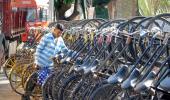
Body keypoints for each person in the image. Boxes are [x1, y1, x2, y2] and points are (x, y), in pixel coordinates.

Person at [22, 23, 68, 100]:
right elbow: (38, 49)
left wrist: (74, 54)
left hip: (50, 65)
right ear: (54, 30)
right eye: (58, 32)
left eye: (61, 33)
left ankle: (44, 96)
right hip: (41, 63)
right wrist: (36, 61)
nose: (59, 34)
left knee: (46, 81)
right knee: (35, 78)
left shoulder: (60, 40)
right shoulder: (47, 37)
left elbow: (65, 50)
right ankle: (26, 95)